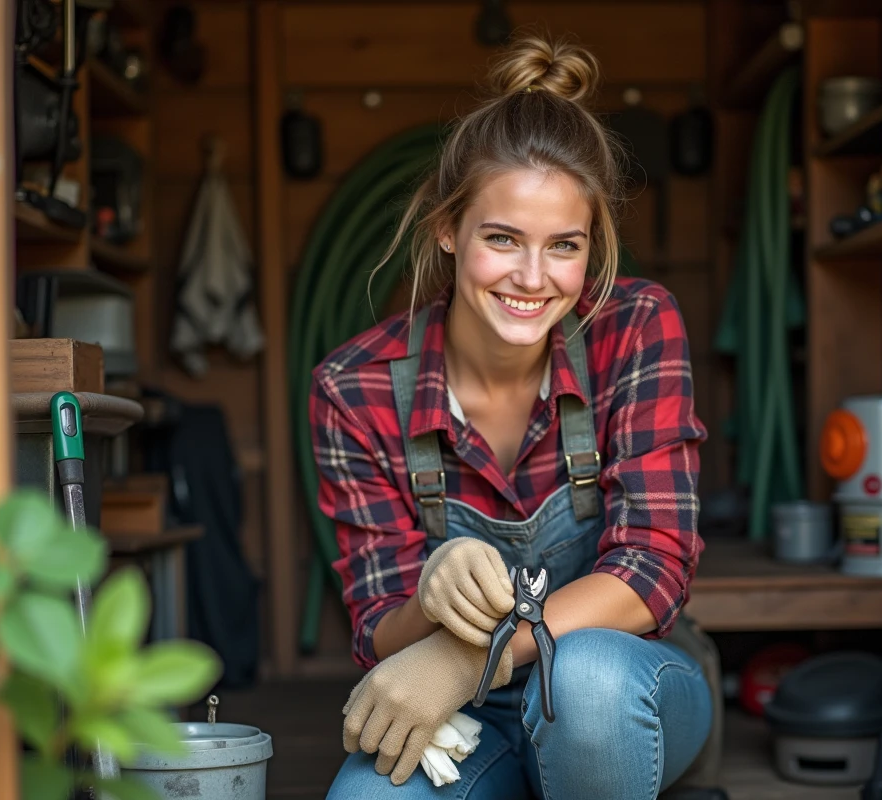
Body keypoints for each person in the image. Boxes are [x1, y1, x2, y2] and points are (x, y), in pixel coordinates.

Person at [310, 30, 712, 799]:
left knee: (587, 685)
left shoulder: (633, 327)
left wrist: (471, 653)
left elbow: (653, 567)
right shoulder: (354, 388)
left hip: (622, 693)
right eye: (501, 239)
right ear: (447, 229)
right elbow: (377, 626)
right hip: (467, 717)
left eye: (564, 246)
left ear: (591, 249)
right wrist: (428, 592)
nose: (533, 278)